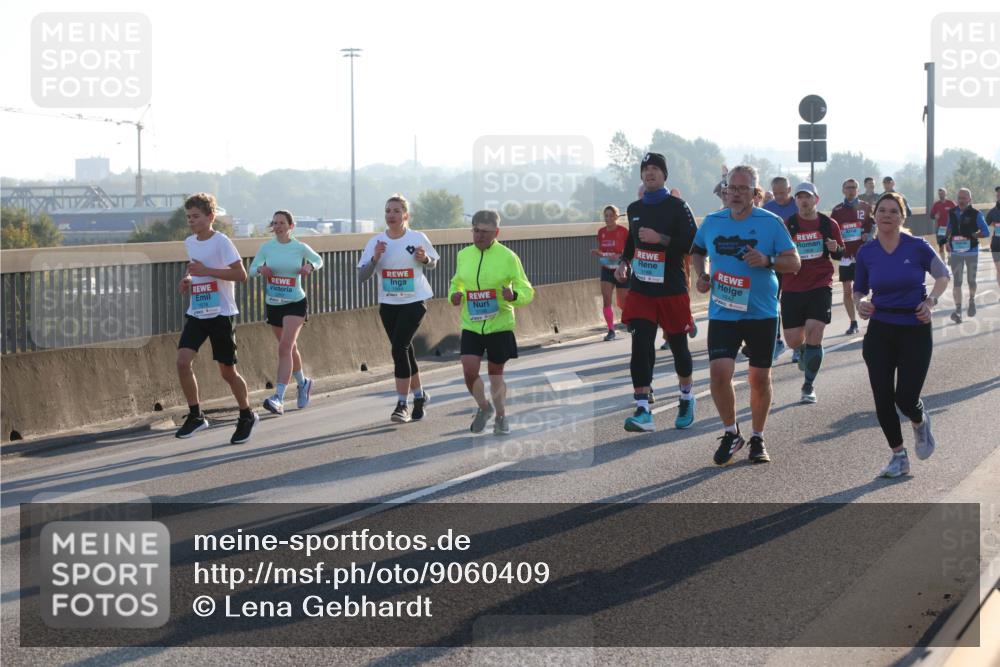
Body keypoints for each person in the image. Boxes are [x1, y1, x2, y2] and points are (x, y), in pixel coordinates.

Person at [691, 165, 800, 465]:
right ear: (725, 189)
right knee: (719, 374)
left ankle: (758, 437)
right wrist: (703, 274)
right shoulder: (712, 222)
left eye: (743, 189)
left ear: (754, 192)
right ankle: (731, 432)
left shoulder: (771, 222)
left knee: (759, 379)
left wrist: (768, 259)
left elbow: (794, 263)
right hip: (724, 310)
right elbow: (697, 250)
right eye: (731, 188)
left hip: (761, 311)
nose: (736, 194)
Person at [854, 193, 950, 478]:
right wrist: (860, 302)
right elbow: (858, 289)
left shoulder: (917, 247)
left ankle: (920, 423)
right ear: (874, 215)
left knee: (906, 398)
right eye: (881, 210)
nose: (887, 215)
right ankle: (899, 456)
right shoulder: (866, 252)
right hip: (880, 329)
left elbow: (943, 276)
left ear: (902, 216)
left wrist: (930, 301)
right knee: (882, 397)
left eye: (893, 211)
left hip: (915, 327)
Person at [614, 152, 699, 432]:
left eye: (655, 169)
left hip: (671, 289)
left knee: (678, 347)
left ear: (664, 175)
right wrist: (624, 264)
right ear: (641, 175)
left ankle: (686, 397)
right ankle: (642, 410)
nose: (649, 173)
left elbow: (691, 243)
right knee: (640, 346)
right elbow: (631, 243)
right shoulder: (634, 207)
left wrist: (660, 239)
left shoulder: (678, 206)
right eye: (645, 169)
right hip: (641, 290)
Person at [174, 193, 258, 444]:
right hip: (198, 311)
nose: (191, 221)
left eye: (196, 216)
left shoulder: (222, 241)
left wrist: (207, 271)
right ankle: (196, 415)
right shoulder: (190, 242)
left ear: (210, 217)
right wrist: (188, 281)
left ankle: (246, 415)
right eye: (188, 217)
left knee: (227, 372)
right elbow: (196, 272)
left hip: (221, 313)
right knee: (182, 361)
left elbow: (240, 274)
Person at [448, 210, 534, 435]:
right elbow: (456, 282)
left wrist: (514, 296)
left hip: (499, 325)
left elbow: (526, 289)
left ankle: (501, 416)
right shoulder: (464, 255)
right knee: (469, 369)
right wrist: (454, 295)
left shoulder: (508, 257)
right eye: (475, 230)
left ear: (496, 232)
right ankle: (484, 408)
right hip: (472, 324)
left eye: (485, 232)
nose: (479, 236)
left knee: (495, 373)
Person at [358, 194, 441, 423]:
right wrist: (375, 258)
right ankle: (420, 396)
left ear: (405, 215)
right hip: (389, 304)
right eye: (387, 211)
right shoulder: (376, 242)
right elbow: (362, 275)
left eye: (396, 211)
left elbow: (433, 263)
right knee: (405, 350)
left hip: (414, 301)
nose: (391, 215)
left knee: (399, 349)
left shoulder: (417, 237)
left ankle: (401, 405)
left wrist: (424, 259)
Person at [250, 210, 323, 415]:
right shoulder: (267, 247)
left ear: (291, 226)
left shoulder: (299, 247)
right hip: (274, 303)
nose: (278, 226)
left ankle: (279, 397)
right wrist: (260, 270)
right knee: (290, 349)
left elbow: (318, 260)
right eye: (275, 223)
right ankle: (303, 383)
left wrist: (309, 266)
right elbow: (251, 269)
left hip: (295, 303)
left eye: (282, 222)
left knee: (284, 348)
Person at [781, 182, 845, 404]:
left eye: (807, 197)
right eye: (799, 197)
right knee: (792, 340)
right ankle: (802, 349)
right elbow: (778, 253)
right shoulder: (788, 225)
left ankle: (808, 385)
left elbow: (839, 253)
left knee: (815, 330)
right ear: (795, 201)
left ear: (816, 199)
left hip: (820, 284)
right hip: (792, 286)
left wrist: (836, 248)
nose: (803, 201)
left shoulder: (828, 224)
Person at [759, 175, 798, 361]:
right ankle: (776, 341)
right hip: (774, 263)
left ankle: (799, 344)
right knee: (773, 302)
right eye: (776, 194)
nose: (779, 197)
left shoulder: (799, 205)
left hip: (794, 262)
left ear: (790, 190)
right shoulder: (767, 210)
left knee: (793, 303)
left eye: (783, 193)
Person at [830, 178, 874, 334]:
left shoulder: (866, 207)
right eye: (848, 188)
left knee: (865, 288)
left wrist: (869, 235)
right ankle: (853, 322)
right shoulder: (837, 210)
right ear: (843, 190)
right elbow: (832, 232)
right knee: (847, 289)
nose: (851, 190)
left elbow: (874, 226)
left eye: (854, 187)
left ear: (857, 189)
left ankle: (871, 315)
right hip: (846, 256)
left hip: (863, 254)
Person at [944, 187, 991, 323]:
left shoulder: (976, 213)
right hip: (956, 251)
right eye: (959, 198)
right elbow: (949, 228)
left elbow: (986, 232)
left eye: (964, 198)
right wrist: (947, 241)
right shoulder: (952, 212)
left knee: (971, 280)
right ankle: (958, 310)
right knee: (957, 281)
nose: (961, 201)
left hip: (971, 251)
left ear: (970, 199)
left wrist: (972, 235)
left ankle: (971, 299)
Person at [592, 205, 629, 341]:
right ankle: (611, 330)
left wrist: (619, 256)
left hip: (621, 269)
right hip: (606, 269)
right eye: (606, 216)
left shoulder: (623, 231)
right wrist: (598, 253)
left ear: (616, 217)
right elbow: (603, 251)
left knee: (622, 303)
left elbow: (630, 250)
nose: (608, 218)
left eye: (610, 216)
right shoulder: (601, 232)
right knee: (606, 300)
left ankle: (630, 321)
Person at [929, 188, 957, 260]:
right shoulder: (936, 204)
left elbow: (957, 212)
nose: (941, 195)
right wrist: (935, 216)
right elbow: (931, 215)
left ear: (946, 194)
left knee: (949, 245)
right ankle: (943, 262)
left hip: (950, 228)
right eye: (940, 194)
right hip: (941, 228)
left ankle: (950, 257)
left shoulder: (951, 203)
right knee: (941, 246)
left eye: (942, 193)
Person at [988, 186, 1000, 289]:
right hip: (996, 244)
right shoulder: (992, 211)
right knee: (999, 269)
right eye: (998, 194)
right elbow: (985, 224)